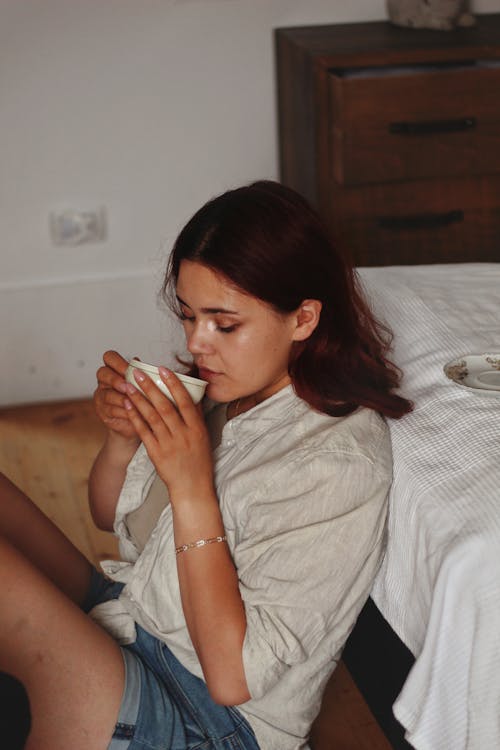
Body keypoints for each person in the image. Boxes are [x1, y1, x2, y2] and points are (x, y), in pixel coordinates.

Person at [0, 180, 412, 750]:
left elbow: (232, 679)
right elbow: (108, 516)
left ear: (304, 318)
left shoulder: (335, 464)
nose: (197, 344)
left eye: (225, 323)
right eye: (189, 315)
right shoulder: (226, 391)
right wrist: (122, 440)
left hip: (207, 720)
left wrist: (192, 485)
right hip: (138, 616)